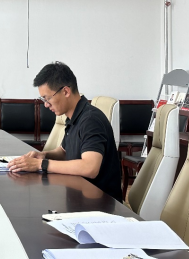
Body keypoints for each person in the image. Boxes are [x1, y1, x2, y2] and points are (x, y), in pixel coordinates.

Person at [7, 62, 123, 202]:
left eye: (48, 98)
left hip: (101, 204)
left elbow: (90, 167)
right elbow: (64, 151)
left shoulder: (91, 120)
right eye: (43, 99)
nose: (46, 104)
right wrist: (43, 155)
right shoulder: (73, 117)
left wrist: (40, 164)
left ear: (66, 91)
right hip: (79, 197)